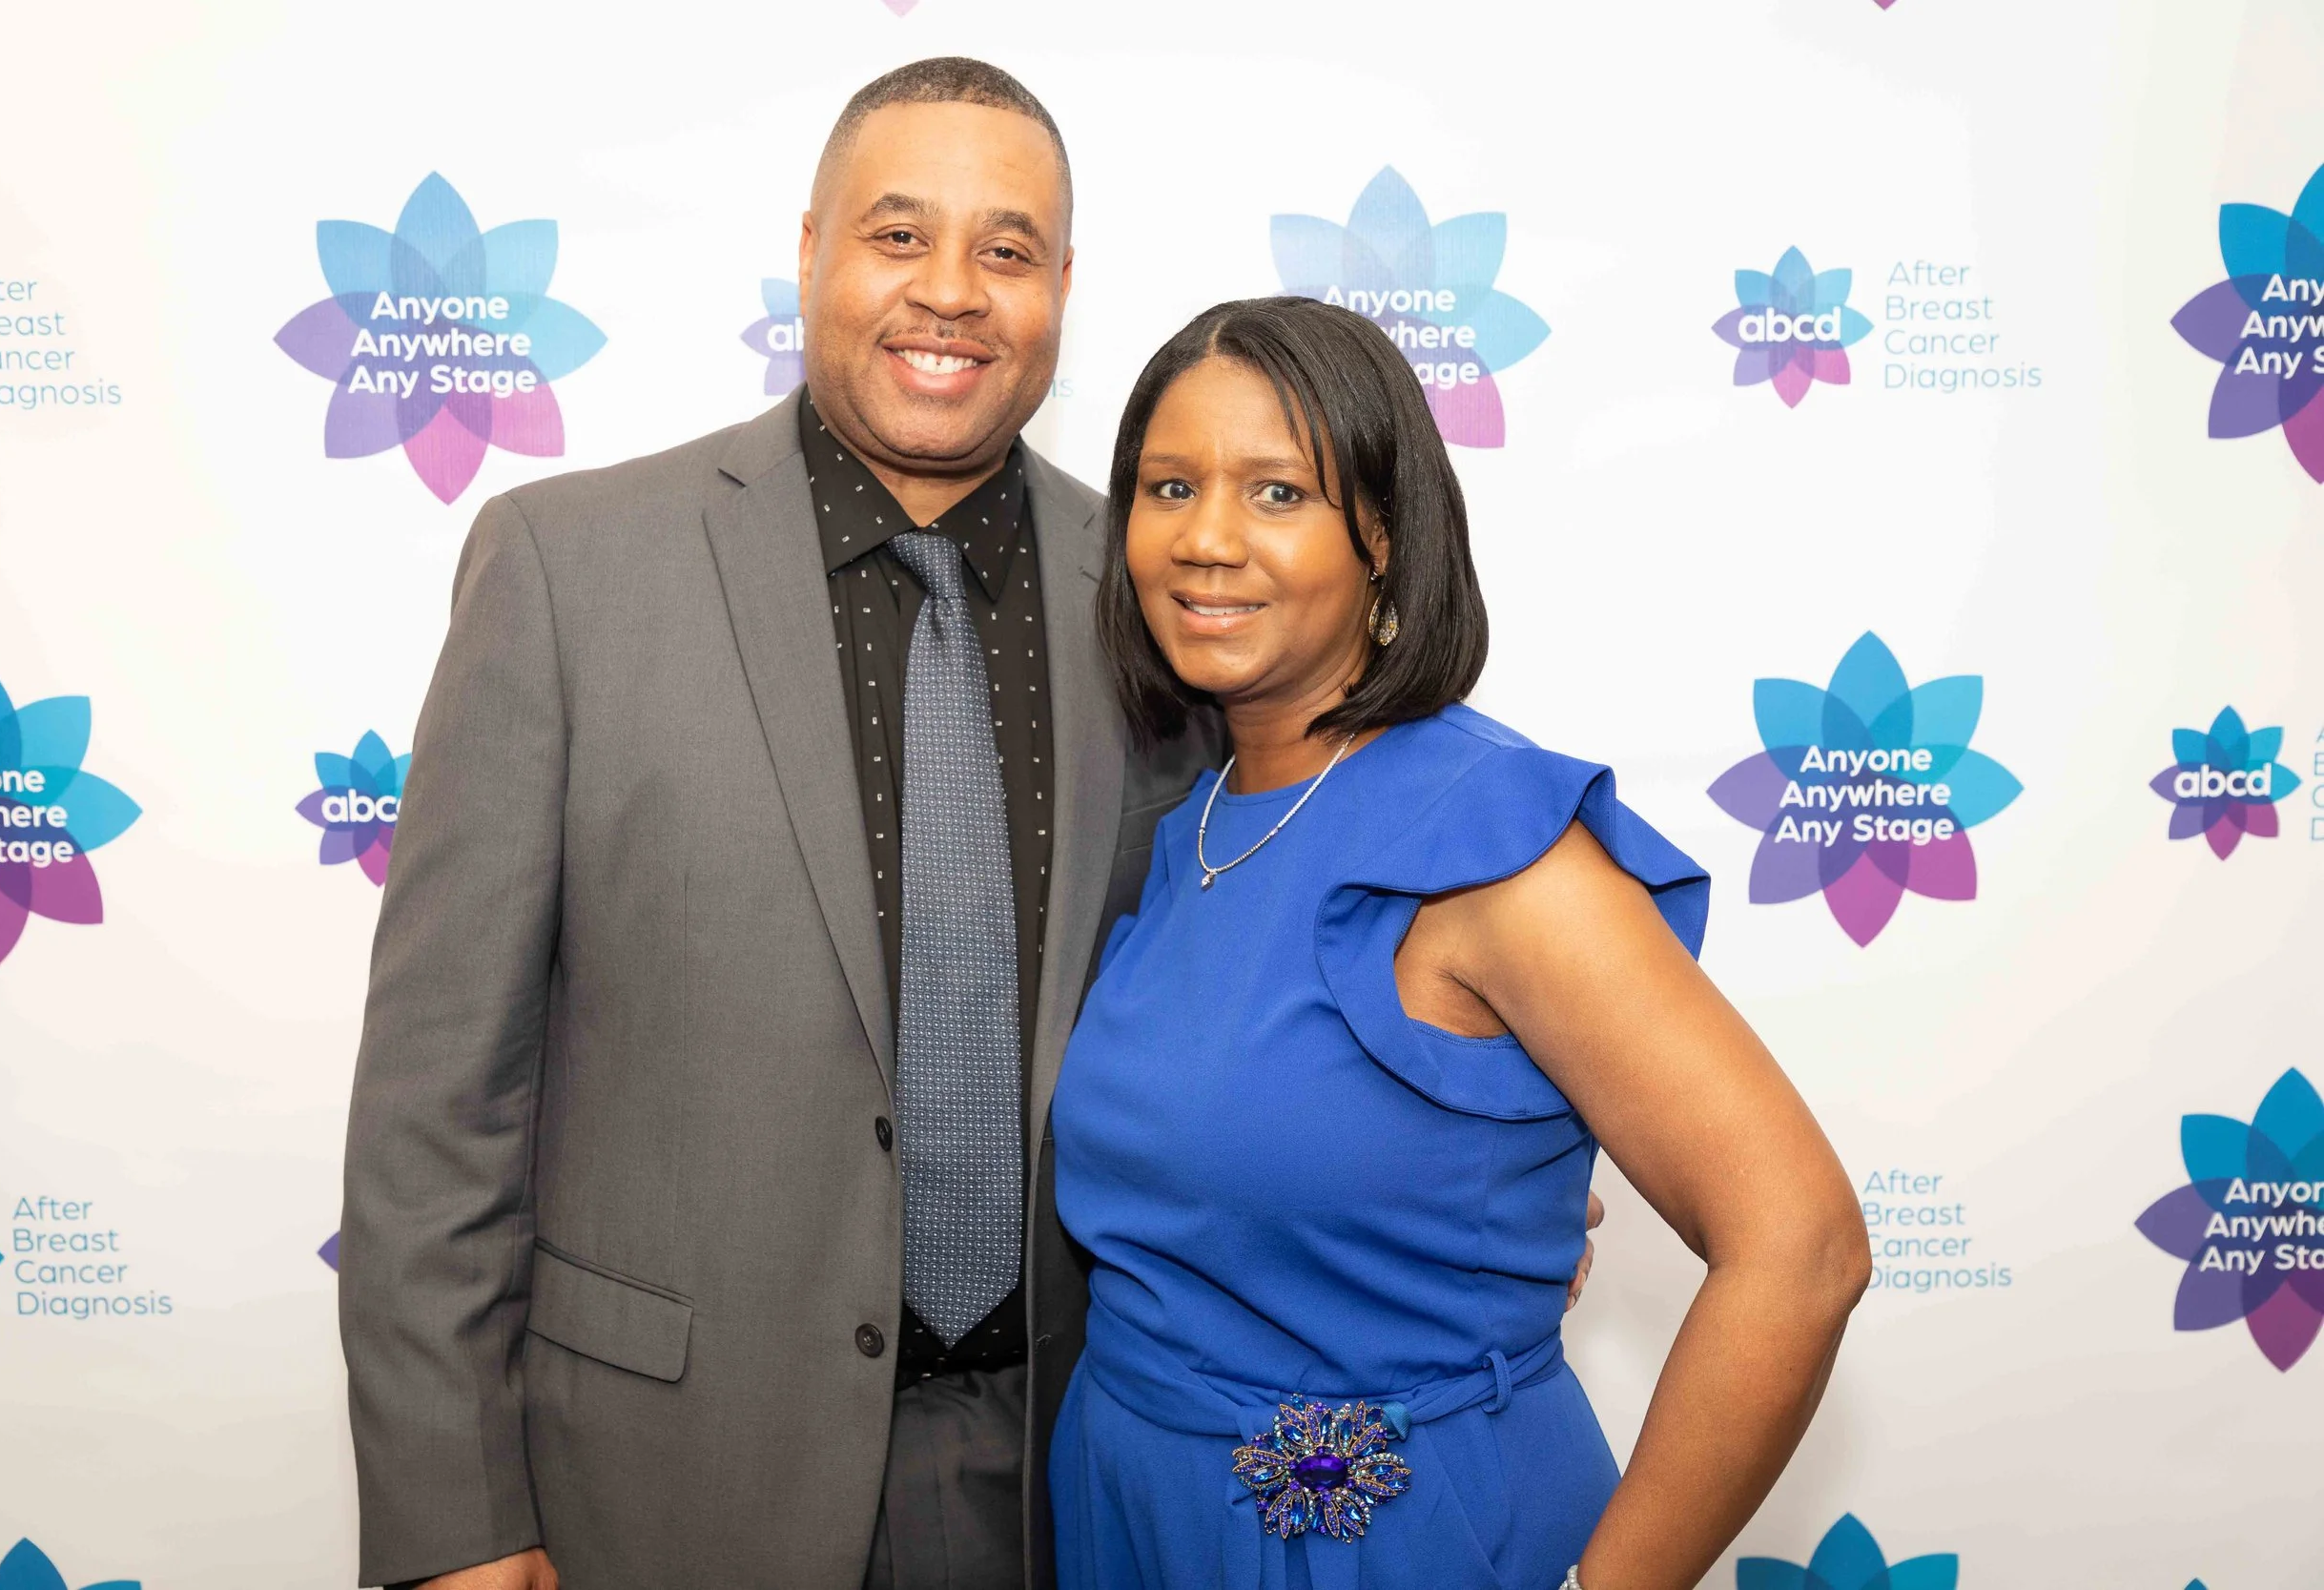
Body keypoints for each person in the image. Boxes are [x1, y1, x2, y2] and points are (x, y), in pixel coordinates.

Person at [337, 60, 1598, 1590]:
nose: (951, 291)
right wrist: (459, 1520)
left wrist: (1462, 1186)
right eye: (898, 235)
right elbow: (438, 1100)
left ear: (1062, 287)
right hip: (669, 1474)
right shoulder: (568, 567)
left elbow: (1296, 939)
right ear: (810, 251)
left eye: (1007, 250)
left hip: (1072, 1472)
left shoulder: (1173, 586)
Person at [1047, 297, 1872, 1590]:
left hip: (1387, 1541)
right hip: (1131, 1515)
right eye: (1170, 487)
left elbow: (1802, 1246)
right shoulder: (1196, 821)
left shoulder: (1490, 840)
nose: (1205, 538)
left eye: (1277, 492)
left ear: (1382, 536)